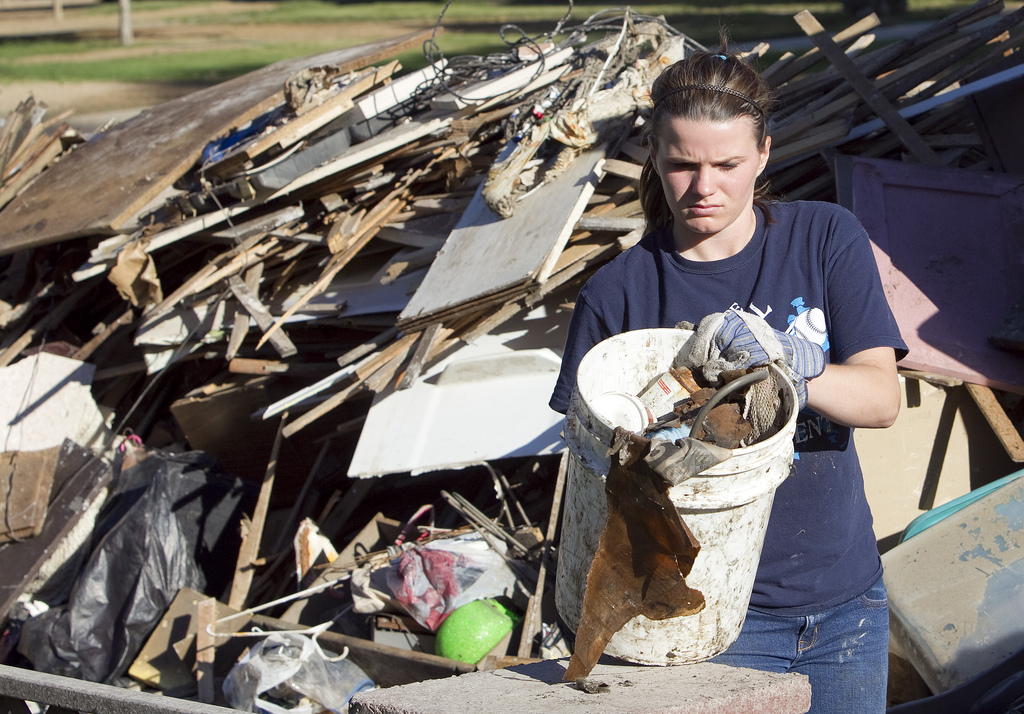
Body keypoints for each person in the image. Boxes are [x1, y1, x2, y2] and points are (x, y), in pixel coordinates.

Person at [548, 43, 908, 713]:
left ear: (764, 155)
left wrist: (790, 367)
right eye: (683, 164)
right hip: (704, 623)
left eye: (727, 164)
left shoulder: (825, 238)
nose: (704, 187)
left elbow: (882, 400)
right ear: (653, 154)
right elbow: (592, 474)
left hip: (845, 607)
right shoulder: (620, 295)